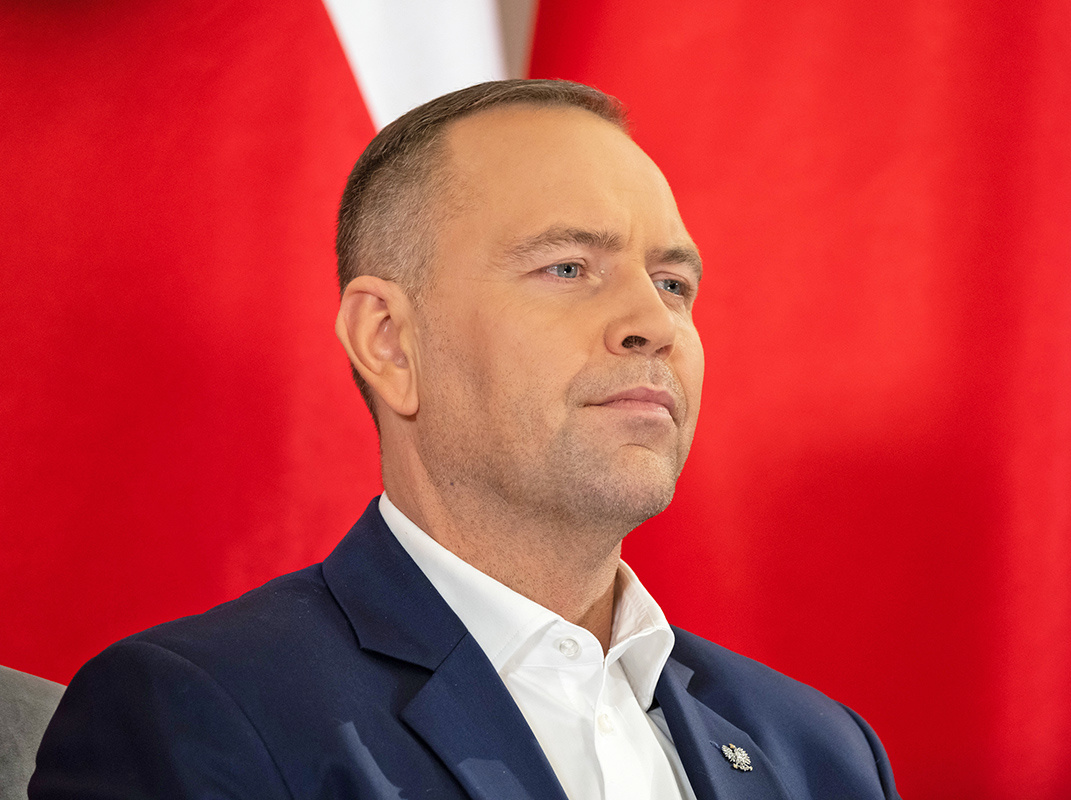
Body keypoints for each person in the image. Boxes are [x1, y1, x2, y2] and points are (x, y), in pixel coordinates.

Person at [30, 79, 900, 800]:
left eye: (673, 283)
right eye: (568, 267)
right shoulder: (199, 714)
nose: (653, 322)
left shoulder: (823, 754)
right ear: (390, 342)